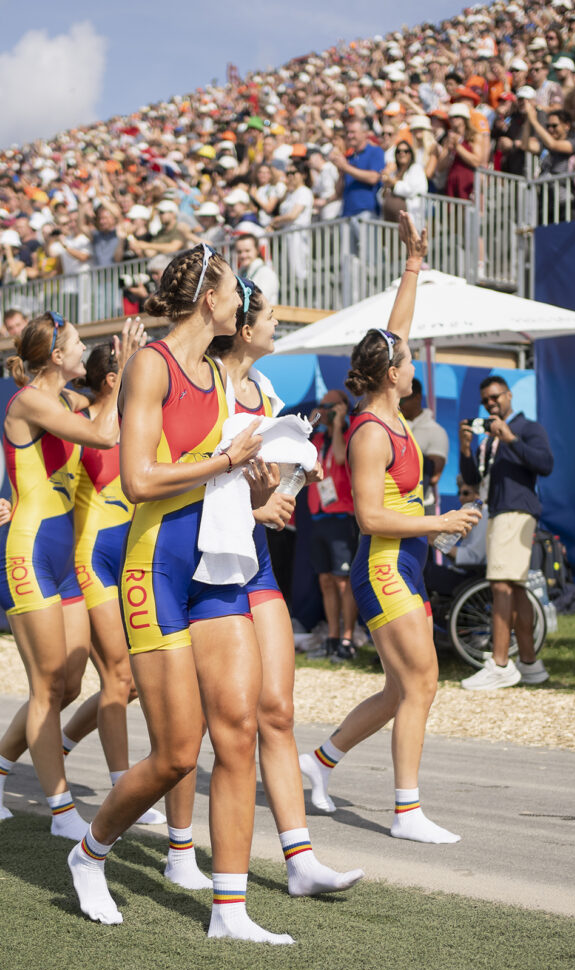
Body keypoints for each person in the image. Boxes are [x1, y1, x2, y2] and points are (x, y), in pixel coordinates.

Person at [65, 244, 290, 944]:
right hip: (154, 569)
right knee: (175, 755)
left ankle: (229, 912)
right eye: (236, 292)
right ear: (209, 301)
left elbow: (222, 477)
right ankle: (89, 852)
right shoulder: (152, 366)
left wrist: (258, 488)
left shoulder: (221, 375)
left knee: (239, 732)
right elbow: (138, 480)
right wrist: (225, 460)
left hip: (216, 565)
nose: (244, 304)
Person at [298, 213, 481, 843]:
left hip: (403, 565)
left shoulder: (391, 408)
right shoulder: (371, 431)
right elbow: (369, 517)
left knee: (398, 688)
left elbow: (396, 327)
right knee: (420, 685)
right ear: (391, 374)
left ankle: (318, 763)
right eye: (405, 361)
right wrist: (440, 522)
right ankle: (406, 813)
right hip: (382, 565)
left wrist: (413, 262)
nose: (410, 363)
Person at [215, 275, 364, 896]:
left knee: (277, 712)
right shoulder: (206, 386)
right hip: (204, 568)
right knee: (204, 730)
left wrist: (288, 487)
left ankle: (300, 862)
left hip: (256, 563)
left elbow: (284, 477)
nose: (281, 324)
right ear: (244, 327)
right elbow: (185, 481)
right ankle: (177, 847)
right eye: (273, 316)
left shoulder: (268, 389)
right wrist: (255, 504)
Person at [0, 312, 120, 845]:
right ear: (56, 356)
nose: (84, 350)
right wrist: (121, 379)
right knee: (47, 687)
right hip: (28, 556)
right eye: (77, 343)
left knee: (69, 684)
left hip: (61, 562)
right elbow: (103, 434)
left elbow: (104, 415)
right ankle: (61, 809)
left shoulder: (68, 401)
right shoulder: (30, 401)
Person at [458, 375, 555, 691]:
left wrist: (511, 438)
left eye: (495, 397)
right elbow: (473, 479)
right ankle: (529, 663)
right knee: (514, 587)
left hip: (516, 511)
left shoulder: (527, 427)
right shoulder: (488, 437)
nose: (491, 403)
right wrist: (465, 447)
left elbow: (546, 464)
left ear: (509, 395)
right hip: (498, 511)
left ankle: (500, 663)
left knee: (500, 585)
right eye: (485, 400)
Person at [306, 387, 360, 661]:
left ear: (343, 407)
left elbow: (340, 458)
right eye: (323, 406)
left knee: (343, 581)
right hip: (319, 514)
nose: (325, 411)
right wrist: (312, 422)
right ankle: (332, 636)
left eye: (331, 406)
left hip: (342, 515)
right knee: (326, 580)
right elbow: (301, 460)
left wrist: (338, 425)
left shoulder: (351, 435)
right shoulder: (317, 439)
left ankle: (348, 638)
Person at [399, 377, 449, 508]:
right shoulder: (390, 427)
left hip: (422, 505)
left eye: (402, 400)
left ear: (417, 398)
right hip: (392, 504)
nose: (398, 404)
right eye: (395, 399)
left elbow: (433, 477)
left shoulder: (436, 431)